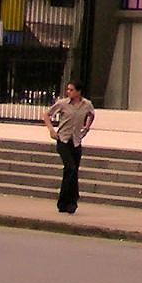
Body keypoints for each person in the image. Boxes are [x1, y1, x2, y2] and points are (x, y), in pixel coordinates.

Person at [45, 81, 95, 214]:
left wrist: (87, 127)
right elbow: (46, 115)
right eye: (68, 90)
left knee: (73, 171)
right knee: (70, 168)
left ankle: (70, 203)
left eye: (71, 90)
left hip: (76, 141)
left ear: (79, 92)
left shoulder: (87, 104)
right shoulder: (62, 104)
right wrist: (51, 130)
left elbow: (91, 114)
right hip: (63, 140)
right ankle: (64, 201)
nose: (68, 92)